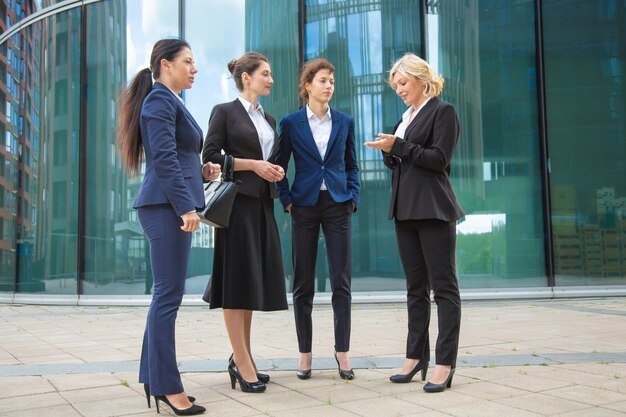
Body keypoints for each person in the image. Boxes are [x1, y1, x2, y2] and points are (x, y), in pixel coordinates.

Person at [117, 38, 220, 415]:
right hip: (164, 208)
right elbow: (161, 158)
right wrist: (185, 207)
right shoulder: (159, 100)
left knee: (166, 294)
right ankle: (166, 385)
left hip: (167, 205)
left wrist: (202, 170)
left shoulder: (172, 102)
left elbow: (177, 155)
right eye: (188, 62)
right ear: (165, 65)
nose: (194, 68)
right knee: (168, 295)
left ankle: (153, 377)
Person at [365, 53, 464, 393]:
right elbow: (404, 163)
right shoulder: (405, 118)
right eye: (395, 86)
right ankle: (415, 356)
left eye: (403, 83)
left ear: (422, 79)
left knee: (444, 289)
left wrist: (400, 146)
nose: (399, 90)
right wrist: (388, 152)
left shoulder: (443, 112)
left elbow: (439, 159)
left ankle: (444, 363)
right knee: (415, 289)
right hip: (405, 211)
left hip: (434, 210)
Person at [202, 52, 288, 393]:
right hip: (236, 207)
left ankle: (243, 358)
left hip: (263, 205)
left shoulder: (269, 117)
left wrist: (272, 170)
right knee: (236, 284)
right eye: (265, 74)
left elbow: (267, 159)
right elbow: (210, 155)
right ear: (246, 77)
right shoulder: (224, 112)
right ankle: (243, 362)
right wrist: (254, 165)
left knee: (251, 283)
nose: (271, 79)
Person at [275, 58, 360, 381]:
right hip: (305, 206)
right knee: (302, 284)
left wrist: (352, 198)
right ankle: (305, 353)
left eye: (332, 82)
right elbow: (279, 168)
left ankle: (343, 352)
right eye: (323, 80)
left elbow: (352, 165)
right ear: (307, 85)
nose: (329, 86)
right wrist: (287, 202)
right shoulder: (292, 123)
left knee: (342, 282)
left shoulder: (345, 122)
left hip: (338, 204)